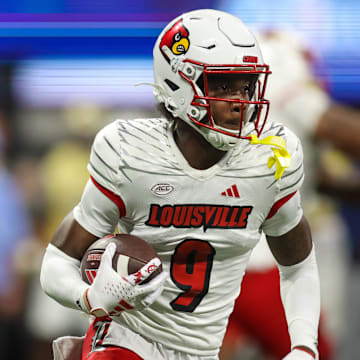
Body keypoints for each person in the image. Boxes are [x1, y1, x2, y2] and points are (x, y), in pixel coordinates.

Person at [40, 9, 321, 360]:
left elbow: (298, 266)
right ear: (178, 84)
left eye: (246, 84)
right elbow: (58, 260)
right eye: (222, 85)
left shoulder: (268, 160)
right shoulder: (131, 154)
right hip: (129, 340)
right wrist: (89, 298)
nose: (241, 102)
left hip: (202, 352)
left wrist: (304, 347)